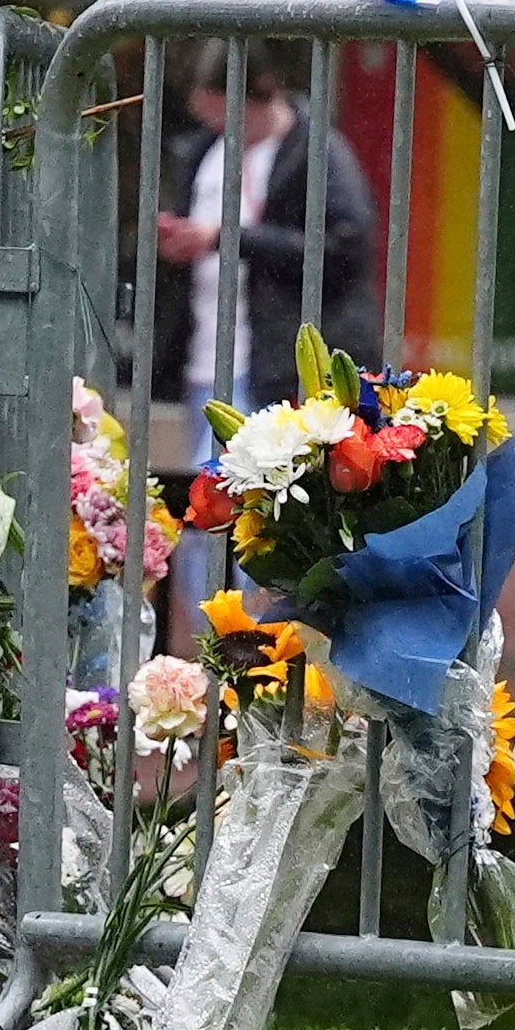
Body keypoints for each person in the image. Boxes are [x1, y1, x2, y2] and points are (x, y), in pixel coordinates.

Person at [153, 38, 382, 630]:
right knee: (210, 510)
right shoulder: (202, 154)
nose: (219, 126)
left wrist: (231, 238)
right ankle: (219, 634)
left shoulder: (317, 152)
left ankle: (280, 637)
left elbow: (345, 249)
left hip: (279, 363)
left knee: (280, 509)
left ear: (259, 98)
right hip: (210, 361)